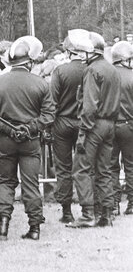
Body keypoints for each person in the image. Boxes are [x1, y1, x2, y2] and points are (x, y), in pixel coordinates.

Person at [0, 36, 54, 241]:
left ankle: (3, 225)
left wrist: (10, 128)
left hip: (5, 139)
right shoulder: (40, 83)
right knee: (31, 183)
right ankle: (34, 228)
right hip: (30, 139)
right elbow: (48, 115)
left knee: (5, 182)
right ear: (29, 62)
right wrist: (28, 128)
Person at [68, 32, 121, 228]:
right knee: (104, 170)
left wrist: (84, 130)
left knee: (81, 169)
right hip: (110, 124)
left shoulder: (92, 71)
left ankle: (87, 214)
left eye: (83, 52)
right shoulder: (111, 69)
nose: (81, 56)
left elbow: (89, 106)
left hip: (94, 125)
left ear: (91, 52)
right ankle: (106, 213)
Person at [50, 31, 87, 223]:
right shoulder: (89, 69)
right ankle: (87, 207)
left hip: (62, 122)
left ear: (68, 51)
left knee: (63, 167)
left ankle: (66, 211)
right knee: (85, 166)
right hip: (84, 122)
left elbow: (52, 101)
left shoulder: (60, 71)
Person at [110, 41, 133, 216]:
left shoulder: (107, 75)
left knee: (111, 166)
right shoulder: (132, 76)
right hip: (129, 125)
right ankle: (132, 203)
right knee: (131, 165)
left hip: (110, 125)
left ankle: (114, 202)